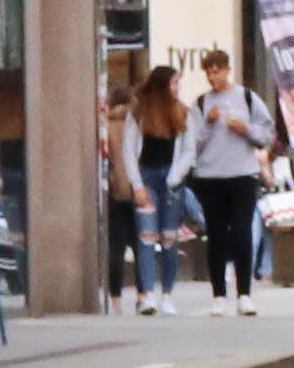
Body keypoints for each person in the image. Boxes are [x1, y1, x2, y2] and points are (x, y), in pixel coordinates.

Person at [185, 49, 279, 306]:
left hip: (242, 174)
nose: (213, 77)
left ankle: (245, 294)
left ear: (227, 70)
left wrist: (245, 129)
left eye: (217, 71)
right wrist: (209, 123)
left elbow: (267, 134)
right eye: (209, 72)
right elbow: (193, 144)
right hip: (210, 176)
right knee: (216, 234)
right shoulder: (201, 104)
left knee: (242, 233)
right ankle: (218, 294)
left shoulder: (248, 98)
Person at [116, 64, 186, 311]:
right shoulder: (138, 113)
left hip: (171, 180)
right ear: (162, 85)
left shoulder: (182, 112)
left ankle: (167, 293)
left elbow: (188, 151)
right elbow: (128, 150)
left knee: (169, 238)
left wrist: (176, 176)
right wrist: (137, 186)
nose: (177, 89)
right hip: (147, 178)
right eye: (174, 83)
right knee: (146, 238)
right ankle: (147, 293)